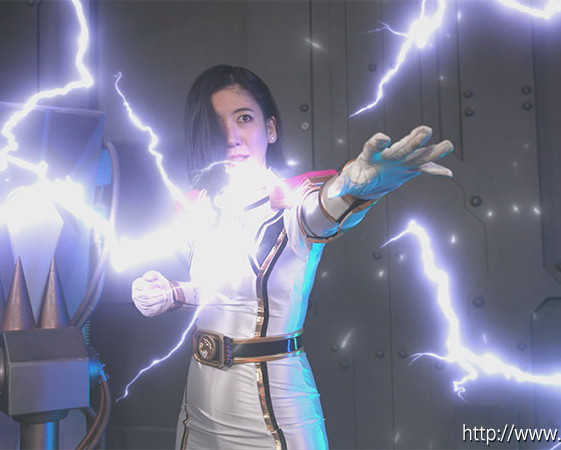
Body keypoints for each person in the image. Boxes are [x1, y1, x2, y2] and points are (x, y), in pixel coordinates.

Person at [131, 64, 453, 450]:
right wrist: (169, 293)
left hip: (272, 408)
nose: (231, 137)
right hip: (198, 404)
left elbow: (325, 209)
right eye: (216, 123)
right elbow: (220, 292)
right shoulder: (197, 207)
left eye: (244, 118)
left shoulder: (293, 202)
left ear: (270, 128)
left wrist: (363, 187)